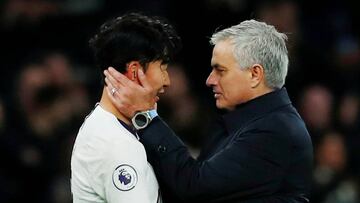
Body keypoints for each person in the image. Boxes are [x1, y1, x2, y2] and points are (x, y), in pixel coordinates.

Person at [104, 19, 313, 203]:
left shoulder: (274, 131)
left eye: (220, 70)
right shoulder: (241, 121)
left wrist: (146, 115)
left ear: (255, 74)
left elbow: (194, 187)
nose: (209, 80)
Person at [70, 12, 181, 203]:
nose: (167, 81)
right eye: (162, 66)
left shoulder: (113, 128)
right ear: (135, 71)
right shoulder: (116, 144)